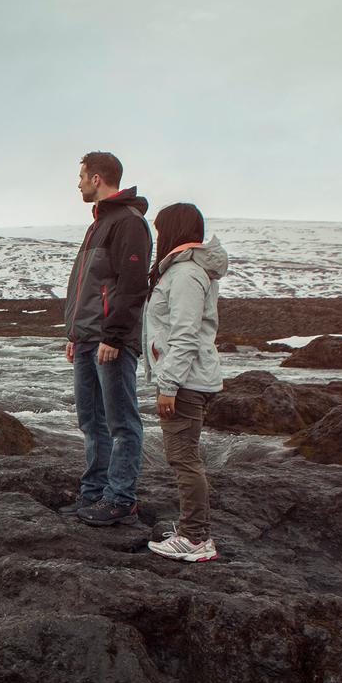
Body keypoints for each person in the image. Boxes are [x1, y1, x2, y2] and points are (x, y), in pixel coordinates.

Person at [62, 151, 153, 526]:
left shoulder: (128, 223)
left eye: (82, 176)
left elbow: (132, 286)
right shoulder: (99, 224)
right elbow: (91, 286)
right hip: (87, 339)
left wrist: (113, 336)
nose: (78, 183)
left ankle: (120, 497)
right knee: (91, 421)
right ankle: (94, 493)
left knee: (121, 422)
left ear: (98, 178)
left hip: (109, 341)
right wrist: (75, 333)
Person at [143, 202, 227, 562]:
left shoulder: (186, 275)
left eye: (161, 230)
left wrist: (169, 385)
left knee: (183, 459)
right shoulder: (184, 272)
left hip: (187, 382)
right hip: (190, 379)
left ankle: (196, 538)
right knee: (185, 457)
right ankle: (193, 532)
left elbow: (185, 334)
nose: (158, 237)